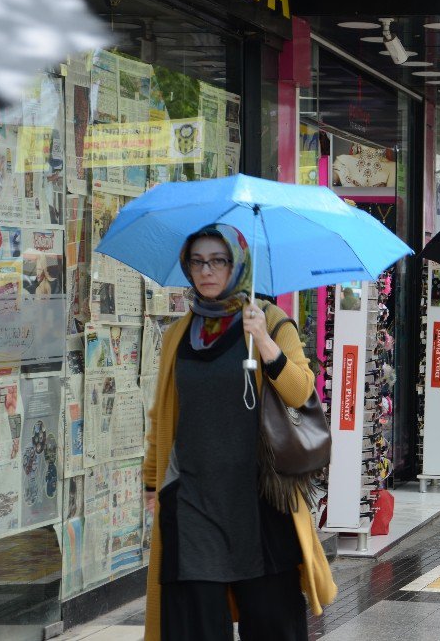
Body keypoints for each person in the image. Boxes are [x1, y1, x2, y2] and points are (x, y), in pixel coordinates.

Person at [141, 224, 335, 641]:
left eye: (218, 260)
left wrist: (263, 340)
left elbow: (302, 391)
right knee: (193, 624)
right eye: (197, 261)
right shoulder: (178, 334)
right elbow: (163, 414)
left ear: (237, 264)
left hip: (260, 500)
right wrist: (152, 483)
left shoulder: (272, 320)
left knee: (271, 621)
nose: (206, 270)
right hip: (193, 501)